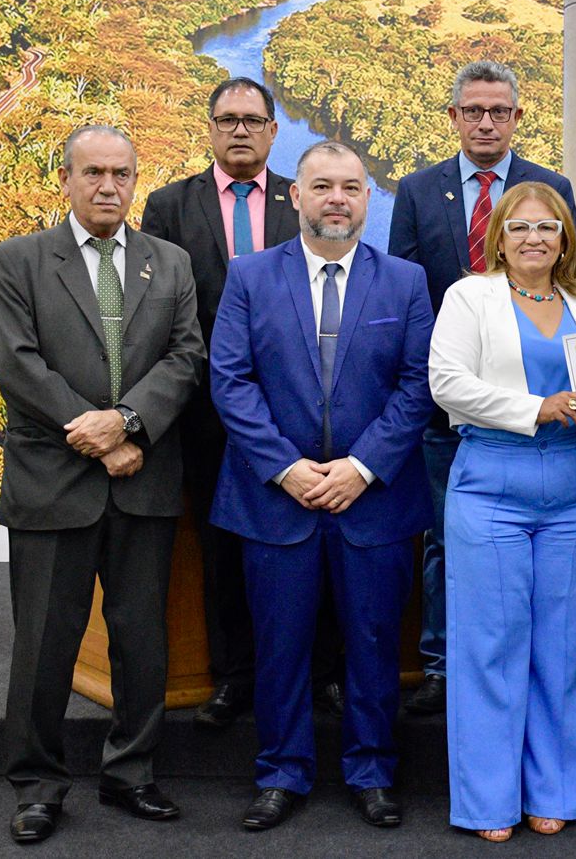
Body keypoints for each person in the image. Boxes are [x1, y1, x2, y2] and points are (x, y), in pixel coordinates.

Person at [208, 141, 433, 832]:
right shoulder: (248, 276)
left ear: (370, 200)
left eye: (352, 188)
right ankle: (282, 772)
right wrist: (288, 467)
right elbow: (231, 379)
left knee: (372, 644)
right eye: (322, 186)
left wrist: (361, 468)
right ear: (295, 197)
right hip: (276, 498)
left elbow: (418, 383)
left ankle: (371, 770)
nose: (338, 198)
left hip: (375, 499)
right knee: (280, 645)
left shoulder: (405, 281)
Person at [0, 125, 204, 844]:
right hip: (55, 479)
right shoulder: (18, 260)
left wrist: (130, 424)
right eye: (94, 173)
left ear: (135, 180)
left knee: (141, 642)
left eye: (121, 173)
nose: (108, 186)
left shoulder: (168, 264)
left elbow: (185, 357)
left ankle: (131, 775)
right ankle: (37, 784)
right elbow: (18, 366)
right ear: (67, 180)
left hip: (142, 479)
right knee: (45, 643)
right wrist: (96, 431)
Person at [141, 77, 342, 729]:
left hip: (297, 414)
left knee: (309, 544)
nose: (239, 131)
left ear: (273, 131)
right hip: (205, 414)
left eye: (253, 120)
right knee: (222, 548)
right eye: (227, 119)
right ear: (210, 127)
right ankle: (233, 676)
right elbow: (158, 316)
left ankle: (320, 675)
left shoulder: (302, 201)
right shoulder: (170, 205)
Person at [388, 60, 576, 717]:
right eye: (474, 110)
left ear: (519, 117)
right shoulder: (417, 191)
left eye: (499, 110)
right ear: (453, 117)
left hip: (545, 417)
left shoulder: (550, 189)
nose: (487, 121)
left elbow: (572, 288)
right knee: (444, 541)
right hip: (451, 407)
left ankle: (521, 665)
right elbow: (409, 301)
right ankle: (442, 662)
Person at [428, 182, 576, 842]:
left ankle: (555, 789)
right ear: (498, 236)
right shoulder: (469, 296)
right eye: (522, 227)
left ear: (565, 239)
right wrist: (538, 407)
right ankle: (488, 802)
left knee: (565, 646)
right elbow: (446, 384)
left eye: (549, 228)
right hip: (490, 482)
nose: (535, 238)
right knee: (490, 645)